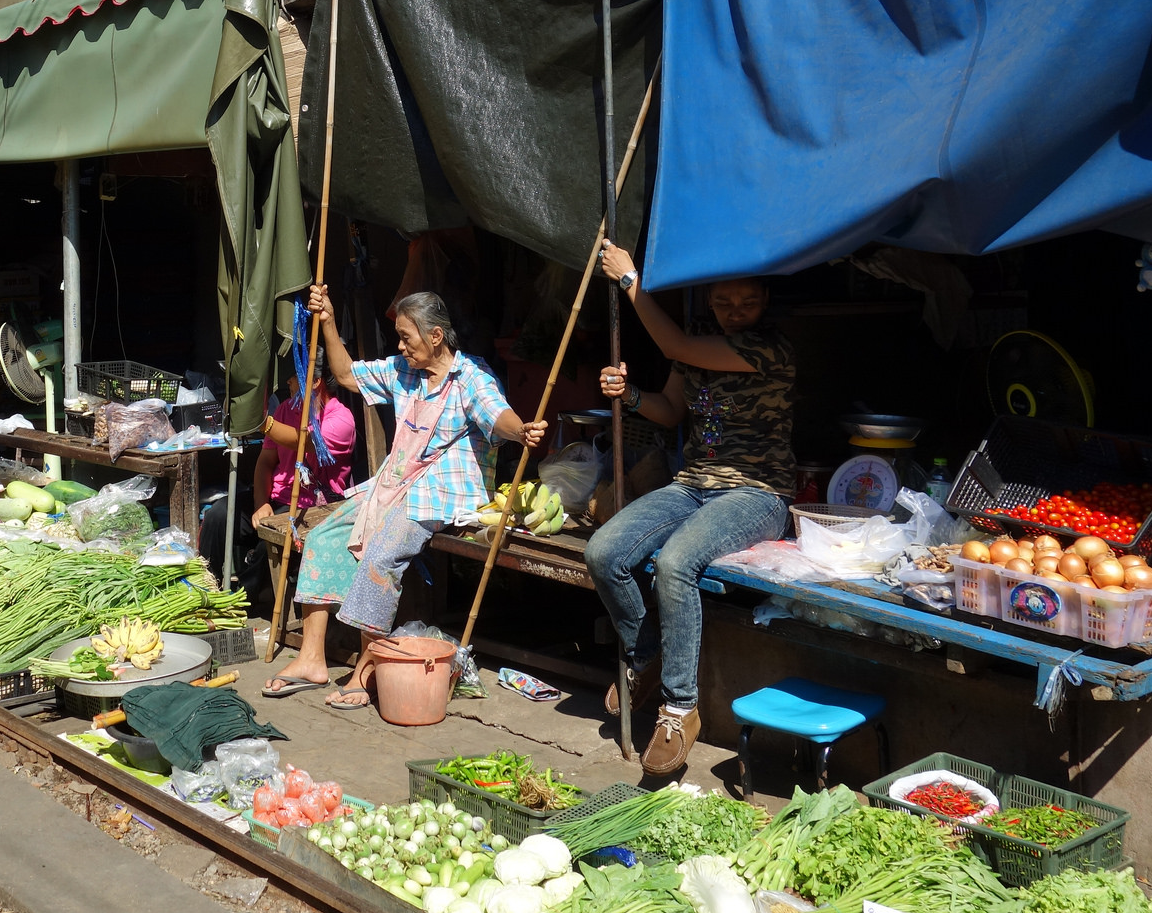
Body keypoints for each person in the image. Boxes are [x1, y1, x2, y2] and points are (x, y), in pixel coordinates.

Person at [264, 286, 547, 709]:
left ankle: (367, 668)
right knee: (323, 538)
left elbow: (497, 414)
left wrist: (521, 430)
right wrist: (328, 322)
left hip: (438, 494)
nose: (399, 345)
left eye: (406, 336)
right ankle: (311, 659)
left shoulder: (471, 378)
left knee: (379, 553)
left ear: (435, 337)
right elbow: (345, 375)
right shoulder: (403, 370)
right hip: (394, 483)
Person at [583, 241, 796, 775]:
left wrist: (632, 281)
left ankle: (679, 708)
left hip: (756, 493)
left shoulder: (771, 347)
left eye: (747, 301)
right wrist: (630, 395)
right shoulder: (697, 348)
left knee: (677, 563)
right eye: (725, 303)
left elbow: (673, 341)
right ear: (711, 302)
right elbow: (670, 410)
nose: (736, 311)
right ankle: (647, 657)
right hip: (693, 484)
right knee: (604, 550)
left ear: (765, 299)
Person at [197, 365, 356, 607]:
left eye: (293, 378)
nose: (288, 383)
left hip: (311, 507)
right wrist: (261, 503)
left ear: (315, 382)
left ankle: (242, 601)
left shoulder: (341, 419)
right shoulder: (284, 410)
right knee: (218, 515)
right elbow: (265, 462)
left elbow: (305, 442)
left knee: (268, 542)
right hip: (276, 497)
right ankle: (207, 587)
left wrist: (261, 422)